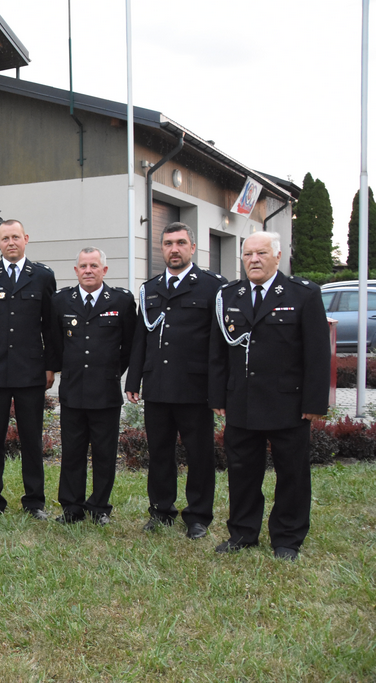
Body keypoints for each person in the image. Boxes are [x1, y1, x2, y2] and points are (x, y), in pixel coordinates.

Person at [210, 232, 329, 560]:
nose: (254, 260)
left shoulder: (303, 294)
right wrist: (217, 396)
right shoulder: (229, 295)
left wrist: (314, 402)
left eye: (261, 253)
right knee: (242, 472)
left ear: (278, 257)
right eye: (248, 254)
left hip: (287, 403)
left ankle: (287, 538)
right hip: (242, 401)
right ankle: (242, 532)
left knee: (292, 474)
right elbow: (218, 352)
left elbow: (318, 353)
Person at [125, 222, 226, 539]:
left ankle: (198, 516)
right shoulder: (150, 288)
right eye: (168, 243)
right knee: (159, 453)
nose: (174, 249)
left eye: (181, 242)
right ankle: (161, 510)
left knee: (199, 455)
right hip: (157, 385)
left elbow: (219, 344)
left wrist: (218, 390)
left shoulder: (212, 287)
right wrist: (134, 379)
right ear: (162, 249)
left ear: (192, 248)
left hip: (195, 387)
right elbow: (141, 337)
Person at [0, 219, 59, 520]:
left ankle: (34, 501)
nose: (11, 242)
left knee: (31, 439)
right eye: (5, 238)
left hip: (30, 371)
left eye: (15, 237)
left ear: (26, 239)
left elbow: (50, 327)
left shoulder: (43, 276)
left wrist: (50, 367)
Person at [50, 247, 136, 525]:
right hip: (73, 390)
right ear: (76, 271)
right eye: (83, 266)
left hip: (105, 391)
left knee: (104, 453)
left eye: (94, 266)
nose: (88, 270)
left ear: (104, 270)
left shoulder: (122, 301)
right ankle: (71, 508)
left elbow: (129, 346)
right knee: (72, 452)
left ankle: (99, 507)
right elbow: (56, 344)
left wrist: (112, 372)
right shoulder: (61, 301)